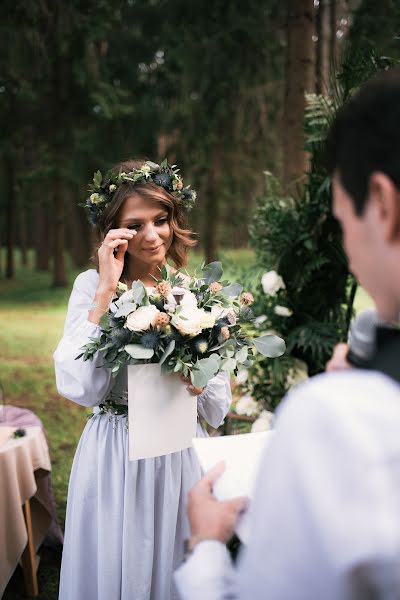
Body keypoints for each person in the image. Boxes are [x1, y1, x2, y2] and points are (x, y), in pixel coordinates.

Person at [174, 69, 400, 599]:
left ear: (383, 205)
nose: (349, 251)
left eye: (345, 223)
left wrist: (206, 545)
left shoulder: (342, 418)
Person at [53, 159, 231, 600]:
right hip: (116, 452)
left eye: (161, 219)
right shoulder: (90, 287)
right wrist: (105, 293)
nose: (152, 236)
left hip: (177, 451)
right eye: (136, 224)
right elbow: (82, 386)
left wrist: (200, 381)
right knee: (119, 566)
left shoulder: (194, 293)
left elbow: (217, 408)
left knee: (171, 564)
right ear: (113, 231)